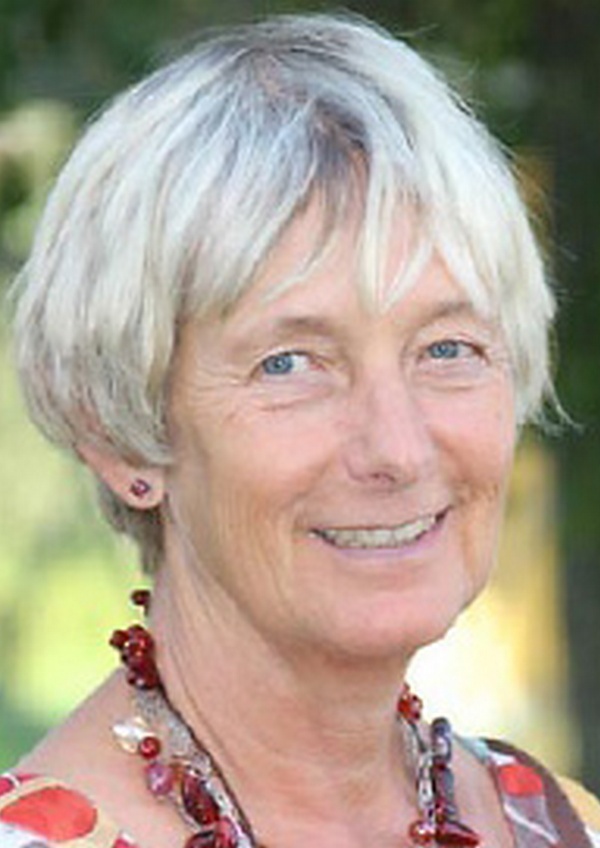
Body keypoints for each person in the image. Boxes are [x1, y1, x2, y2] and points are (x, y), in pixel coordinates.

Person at [2, 12, 599, 848]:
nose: (397, 449)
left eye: (446, 348)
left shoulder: (563, 826)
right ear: (118, 431)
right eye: (290, 364)